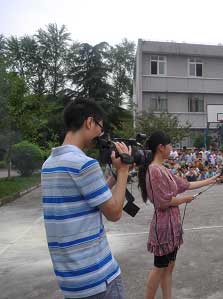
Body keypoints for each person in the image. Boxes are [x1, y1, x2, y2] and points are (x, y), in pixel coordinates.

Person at [41, 98, 131, 299]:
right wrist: (124, 171)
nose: (101, 134)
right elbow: (114, 212)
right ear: (90, 122)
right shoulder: (84, 164)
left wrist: (115, 176)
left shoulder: (50, 164)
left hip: (72, 282)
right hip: (99, 278)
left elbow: (91, 196)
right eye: (100, 127)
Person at [138, 131, 218, 299]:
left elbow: (185, 184)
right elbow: (161, 202)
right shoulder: (154, 170)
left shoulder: (162, 169)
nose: (171, 148)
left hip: (172, 225)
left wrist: (211, 180)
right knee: (159, 268)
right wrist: (183, 200)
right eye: (170, 145)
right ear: (161, 147)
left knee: (168, 268)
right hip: (163, 227)